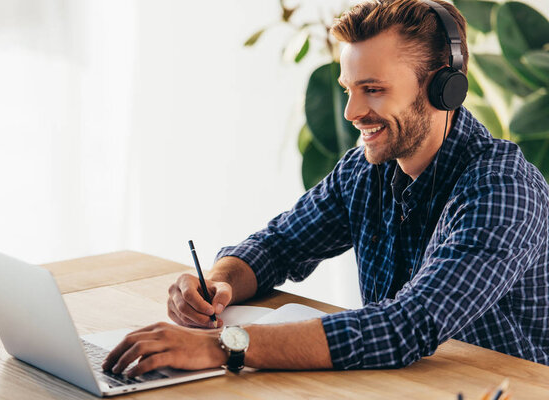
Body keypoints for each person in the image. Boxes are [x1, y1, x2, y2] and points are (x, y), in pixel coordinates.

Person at [102, 0, 549, 377]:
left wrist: (224, 346)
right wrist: (217, 284)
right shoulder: (366, 170)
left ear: (443, 90)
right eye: (348, 89)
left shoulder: (503, 190)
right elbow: (278, 246)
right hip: (401, 385)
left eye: (372, 89)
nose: (352, 111)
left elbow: (407, 326)